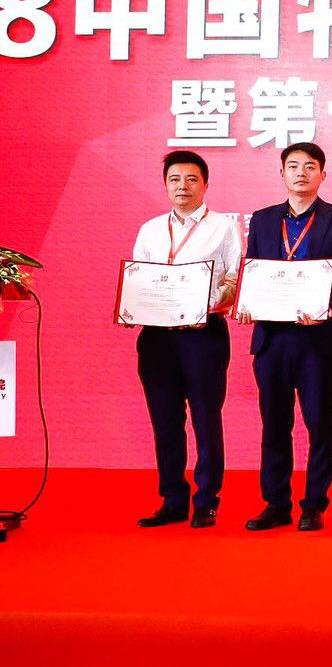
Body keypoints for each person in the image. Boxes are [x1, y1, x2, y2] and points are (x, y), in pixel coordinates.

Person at [236, 141, 332, 532]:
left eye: (310, 166)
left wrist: (325, 306)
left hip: (318, 339)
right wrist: (247, 303)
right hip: (272, 339)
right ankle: (276, 503)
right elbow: (253, 269)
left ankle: (313, 504)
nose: (301, 173)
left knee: (319, 424)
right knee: (274, 424)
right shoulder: (261, 219)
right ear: (281, 173)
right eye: (293, 166)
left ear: (322, 174)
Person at [127, 149, 242, 529]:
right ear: (165, 185)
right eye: (175, 179)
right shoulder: (150, 229)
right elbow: (139, 280)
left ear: (205, 185)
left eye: (192, 179)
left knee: (206, 420)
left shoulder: (223, 227)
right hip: (157, 339)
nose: (183, 186)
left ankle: (207, 500)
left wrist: (204, 303)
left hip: (203, 336)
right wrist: (131, 309)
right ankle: (172, 499)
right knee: (165, 421)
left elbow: (235, 280)